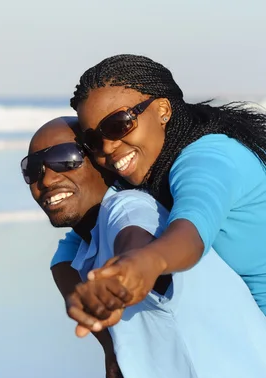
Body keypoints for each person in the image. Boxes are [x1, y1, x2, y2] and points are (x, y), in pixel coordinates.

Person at [24, 117, 266, 378]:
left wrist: (127, 272)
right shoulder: (84, 240)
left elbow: (135, 240)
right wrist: (109, 348)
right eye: (33, 169)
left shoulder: (129, 206)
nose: (46, 179)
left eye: (65, 158)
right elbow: (62, 262)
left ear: (101, 161)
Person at [56, 54, 266, 334]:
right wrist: (105, 340)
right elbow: (68, 252)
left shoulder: (208, 160)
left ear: (163, 110)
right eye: (93, 140)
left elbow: (190, 233)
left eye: (118, 124)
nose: (107, 147)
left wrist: (146, 263)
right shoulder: (152, 169)